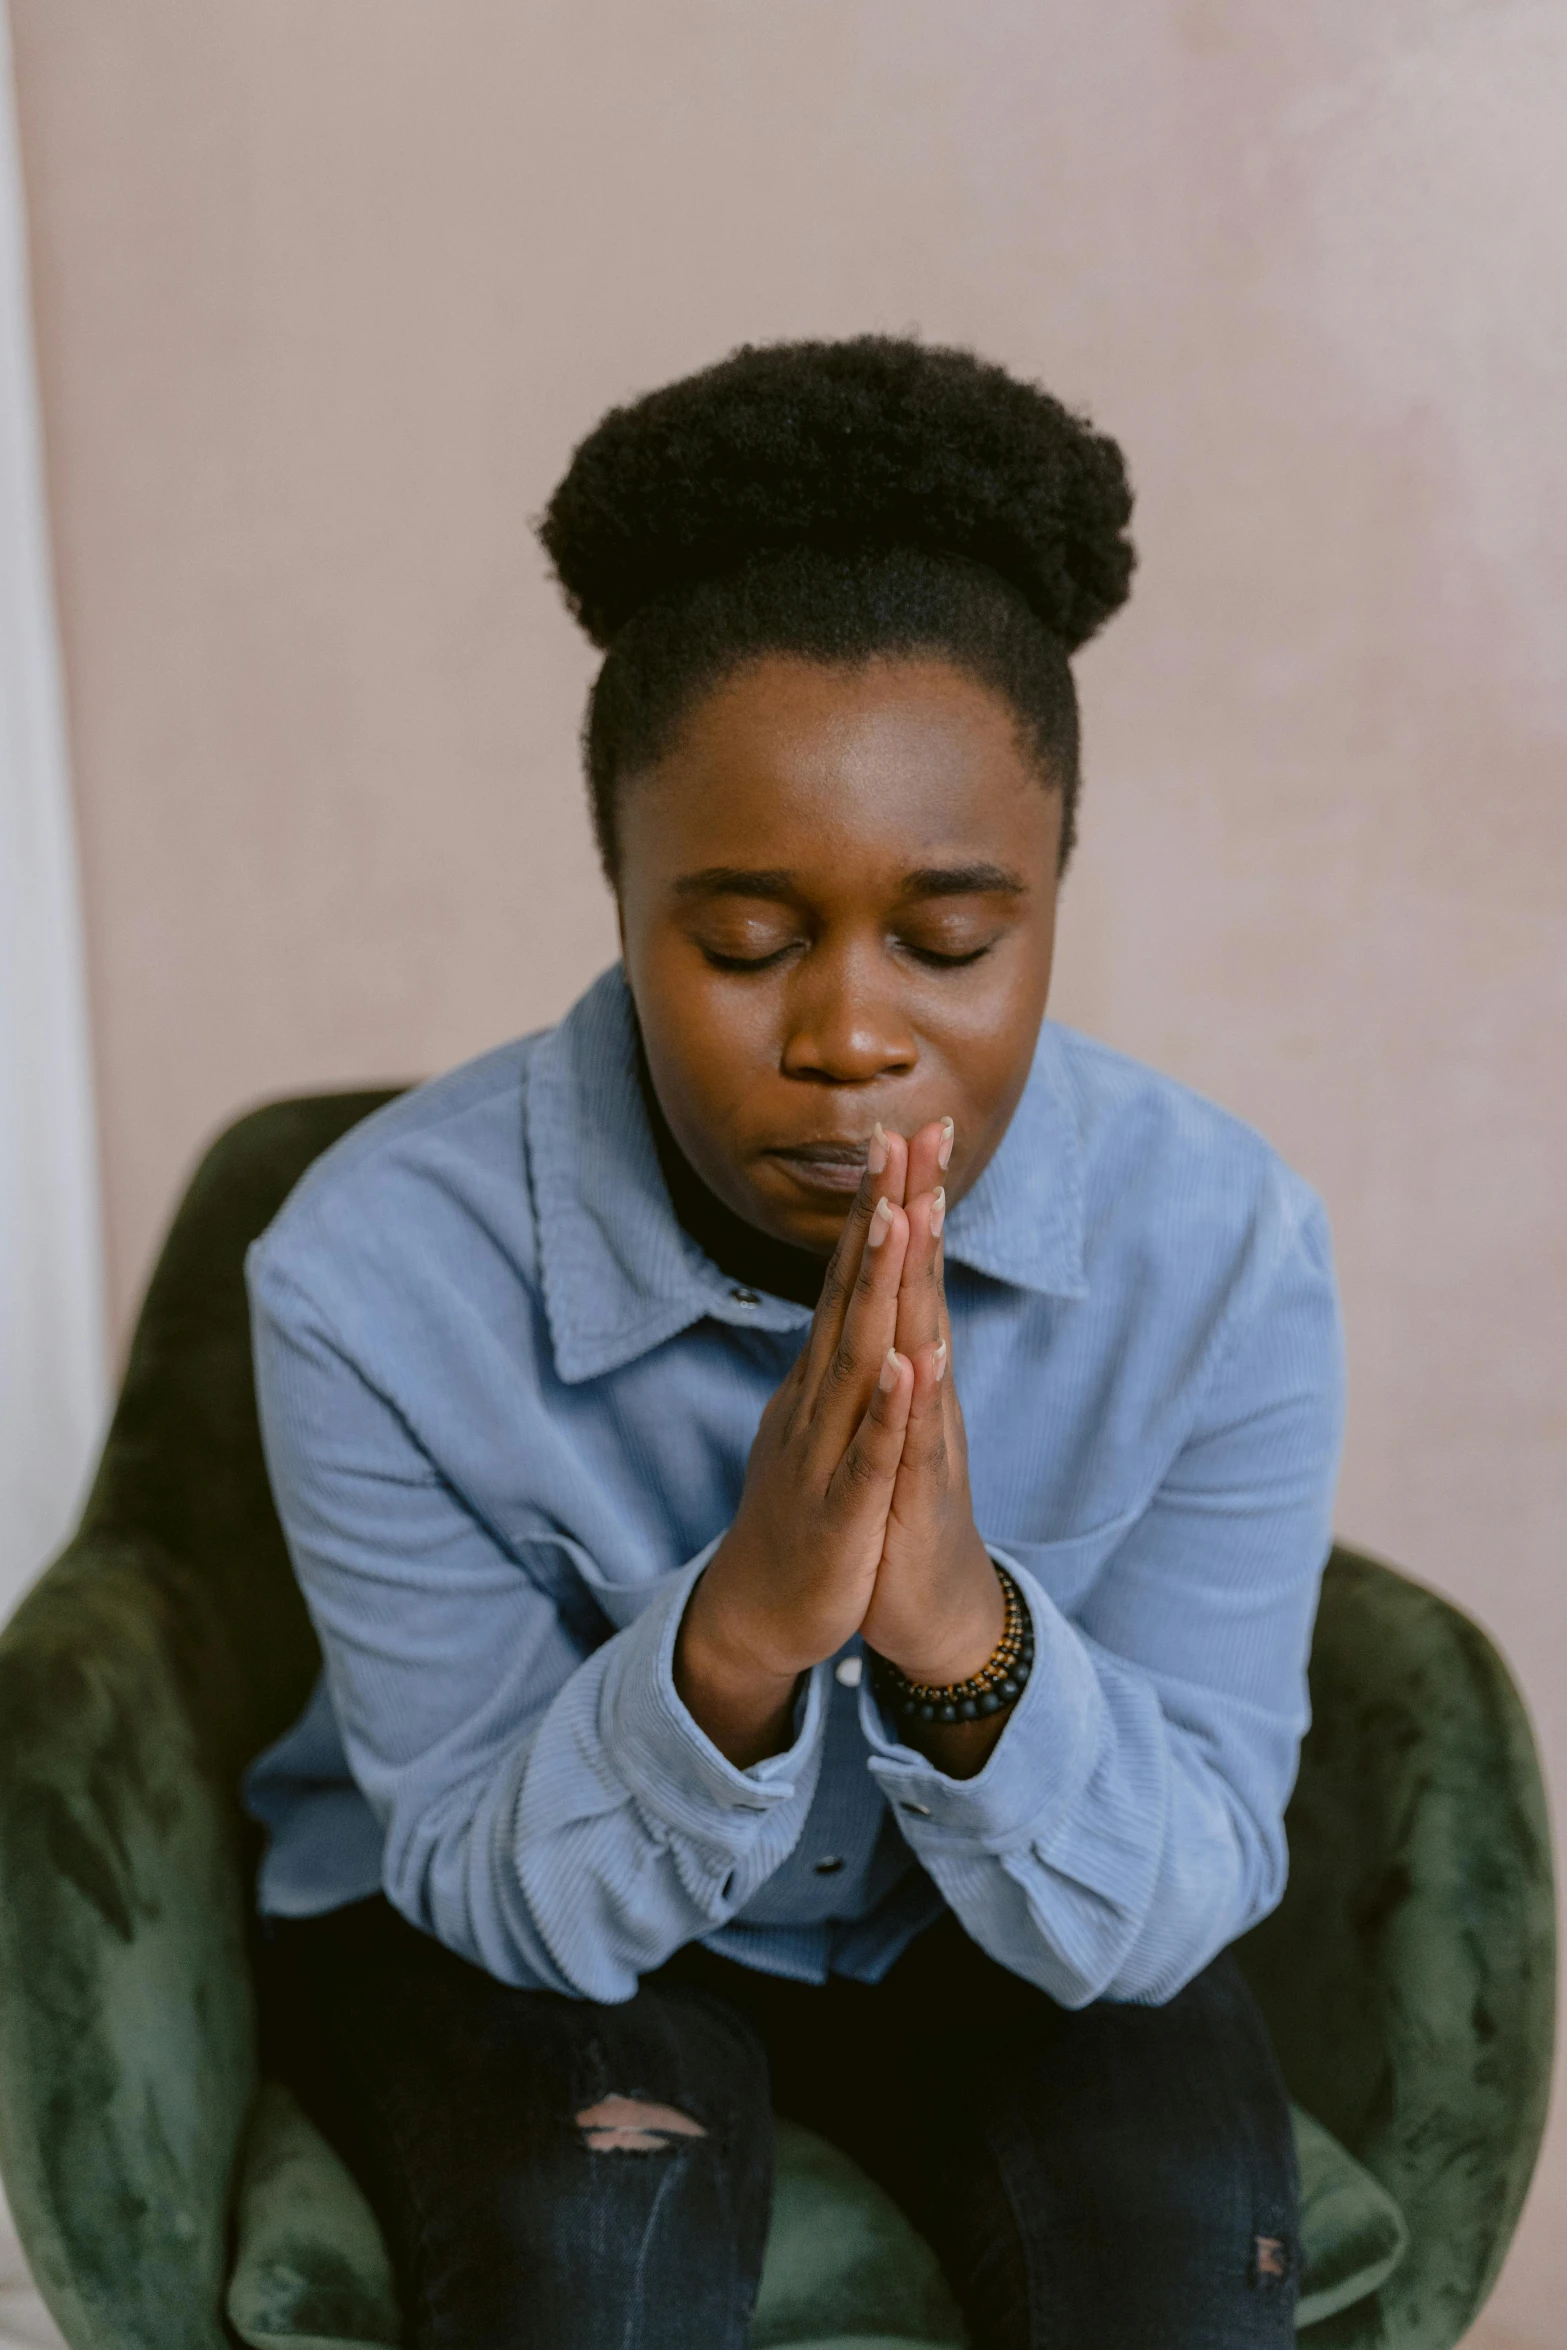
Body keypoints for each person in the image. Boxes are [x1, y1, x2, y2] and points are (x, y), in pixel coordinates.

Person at [247, 336, 1345, 2350]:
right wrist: (739, 1634)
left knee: (1184, 2246)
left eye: (950, 939)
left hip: (997, 1923)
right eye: (744, 939)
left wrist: (960, 1640)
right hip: (527, 1918)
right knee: (588, 2252)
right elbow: (485, 1876)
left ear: (1051, 899)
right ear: (623, 892)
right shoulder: (368, 1276)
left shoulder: (1228, 1254)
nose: (849, 1033)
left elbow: (1186, 1882)